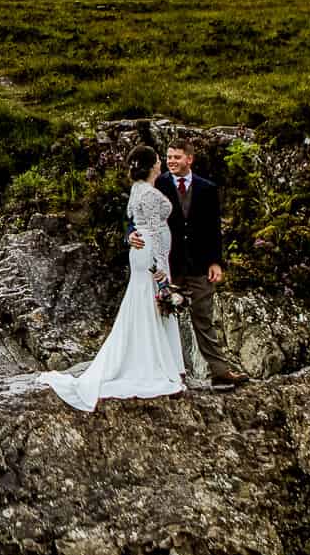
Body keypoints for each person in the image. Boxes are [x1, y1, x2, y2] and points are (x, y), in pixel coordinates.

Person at [40, 146, 186, 408]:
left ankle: (156, 360)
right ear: (152, 165)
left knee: (142, 300)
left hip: (142, 254)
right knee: (150, 300)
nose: (162, 163)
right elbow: (151, 229)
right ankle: (154, 365)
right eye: (158, 160)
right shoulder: (150, 193)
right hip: (151, 254)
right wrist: (162, 270)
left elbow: (138, 222)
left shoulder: (137, 189)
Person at [143, 141, 249, 390]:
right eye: (168, 157)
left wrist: (215, 262)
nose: (171, 161)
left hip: (200, 265)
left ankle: (220, 372)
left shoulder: (207, 188)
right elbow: (139, 216)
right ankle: (170, 371)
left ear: (189, 159)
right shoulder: (158, 185)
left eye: (177, 157)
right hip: (169, 265)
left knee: (204, 318)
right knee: (166, 318)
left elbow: (214, 228)